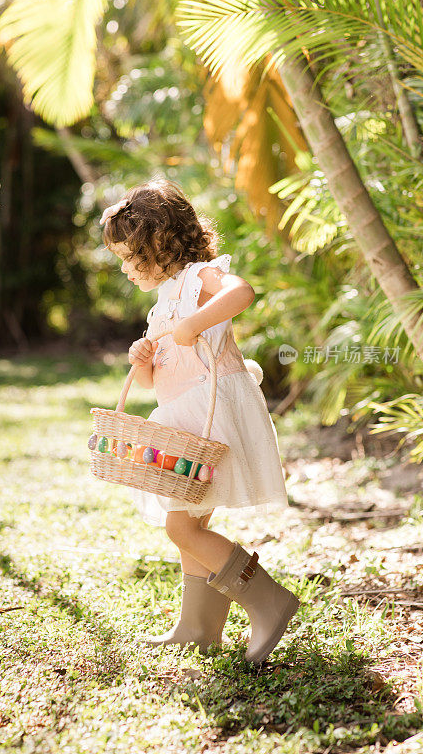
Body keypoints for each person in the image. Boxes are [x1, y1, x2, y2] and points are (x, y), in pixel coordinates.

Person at [99, 177, 299, 664]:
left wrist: (193, 322)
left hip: (213, 409)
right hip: (183, 416)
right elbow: (151, 383)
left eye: (131, 256)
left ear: (161, 243)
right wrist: (143, 356)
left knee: (182, 527)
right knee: (191, 518)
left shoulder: (199, 279)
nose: (126, 268)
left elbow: (242, 292)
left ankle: (268, 602)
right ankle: (198, 627)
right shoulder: (161, 302)